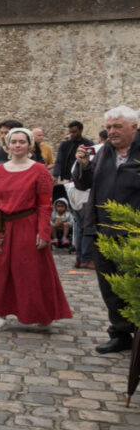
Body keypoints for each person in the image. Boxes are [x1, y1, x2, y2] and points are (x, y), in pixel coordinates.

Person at [0, 128, 72, 332]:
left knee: (30, 272)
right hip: (0, 227)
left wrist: (43, 232)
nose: (17, 145)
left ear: (29, 145)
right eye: (14, 141)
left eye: (22, 141)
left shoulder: (39, 171)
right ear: (8, 144)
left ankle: (40, 313)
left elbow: (45, 205)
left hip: (27, 225)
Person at [72, 105, 140, 354]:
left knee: (135, 286)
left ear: (134, 127)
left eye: (117, 126)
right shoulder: (103, 152)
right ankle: (120, 333)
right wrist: (83, 165)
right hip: (103, 231)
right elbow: (83, 184)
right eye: (109, 127)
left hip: (134, 233)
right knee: (110, 286)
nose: (111, 132)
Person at [54, 121, 95, 267]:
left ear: (81, 130)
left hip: (82, 185)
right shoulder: (66, 144)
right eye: (71, 131)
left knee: (81, 220)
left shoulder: (88, 144)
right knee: (79, 220)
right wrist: (56, 175)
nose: (72, 134)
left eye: (75, 132)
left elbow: (91, 162)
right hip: (68, 183)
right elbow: (60, 160)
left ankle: (82, 255)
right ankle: (82, 256)